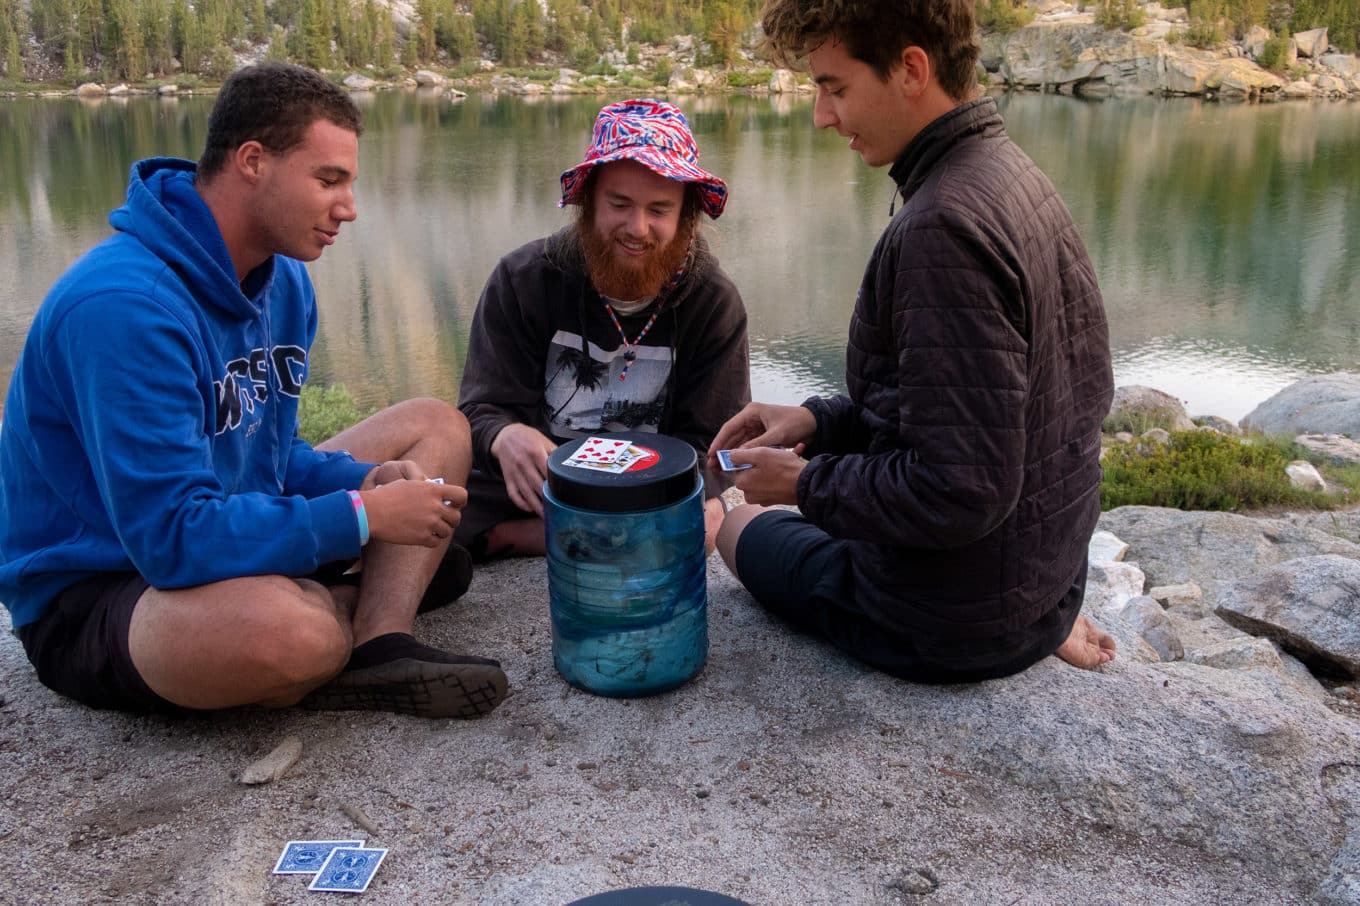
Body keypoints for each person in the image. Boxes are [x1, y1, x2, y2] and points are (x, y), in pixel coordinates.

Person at [0, 63, 506, 720]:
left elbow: (268, 457)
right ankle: (340, 611)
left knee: (437, 426)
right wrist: (362, 518)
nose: (349, 208)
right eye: (329, 180)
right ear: (252, 162)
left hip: (218, 528)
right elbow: (172, 537)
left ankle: (382, 637)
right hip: (104, 587)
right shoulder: (125, 309)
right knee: (293, 635)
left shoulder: (283, 281)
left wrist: (369, 480)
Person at [707, 0, 1118, 682]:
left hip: (945, 622)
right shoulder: (1009, 171)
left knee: (734, 525)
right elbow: (977, 407)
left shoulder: (943, 225)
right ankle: (1042, 623)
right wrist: (817, 419)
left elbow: (961, 490)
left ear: (911, 69)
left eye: (834, 87)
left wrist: (805, 484)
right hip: (1041, 586)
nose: (822, 116)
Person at [457, 99, 750, 558]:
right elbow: (479, 409)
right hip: (537, 492)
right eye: (620, 204)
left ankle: (524, 539)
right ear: (589, 200)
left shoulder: (713, 303)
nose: (637, 227)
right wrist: (502, 435)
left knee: (706, 516)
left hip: (648, 499)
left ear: (686, 217)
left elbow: (717, 451)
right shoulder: (523, 278)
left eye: (659, 209)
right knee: (435, 516)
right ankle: (564, 535)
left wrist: (630, 496)